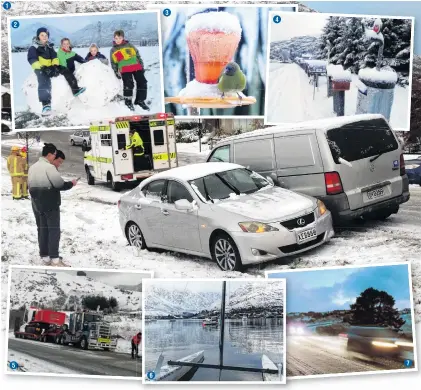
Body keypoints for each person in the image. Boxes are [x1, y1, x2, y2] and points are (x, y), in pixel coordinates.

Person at [28, 143, 78, 267]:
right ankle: (55, 259)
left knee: (42, 229)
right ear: (49, 155)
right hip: (50, 203)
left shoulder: (32, 167)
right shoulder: (49, 167)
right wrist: (71, 183)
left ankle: (45, 256)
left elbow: (30, 185)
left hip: (36, 203)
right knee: (54, 230)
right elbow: (59, 184)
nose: (54, 157)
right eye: (54, 155)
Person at [27, 27, 86, 116]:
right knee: (43, 80)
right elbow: (32, 59)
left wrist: (55, 66)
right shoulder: (34, 47)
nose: (44, 37)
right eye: (42, 35)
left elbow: (55, 57)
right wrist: (42, 68)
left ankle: (75, 89)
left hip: (51, 67)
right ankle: (46, 105)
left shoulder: (49, 46)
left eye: (46, 35)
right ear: (38, 36)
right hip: (40, 68)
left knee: (64, 69)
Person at [110, 30, 149, 111]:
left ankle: (140, 100)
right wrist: (116, 71)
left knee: (142, 82)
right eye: (116, 38)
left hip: (136, 66)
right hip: (124, 68)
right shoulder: (113, 49)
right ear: (114, 38)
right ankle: (128, 101)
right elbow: (113, 62)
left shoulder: (130, 45)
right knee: (128, 83)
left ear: (123, 38)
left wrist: (141, 66)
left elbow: (137, 55)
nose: (118, 40)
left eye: (119, 38)